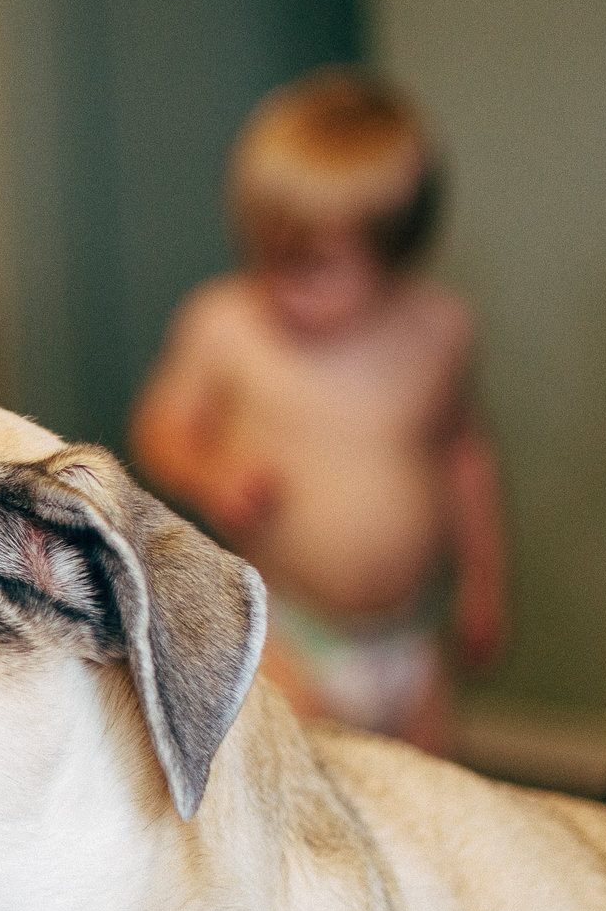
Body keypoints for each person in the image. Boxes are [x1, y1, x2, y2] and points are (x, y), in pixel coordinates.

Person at [130, 67, 506, 755]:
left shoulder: (439, 328)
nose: (283, 284)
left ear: (395, 248)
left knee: (427, 802)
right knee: (307, 793)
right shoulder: (226, 324)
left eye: (314, 264)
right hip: (292, 633)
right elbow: (160, 427)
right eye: (267, 253)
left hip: (412, 638)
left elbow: (462, 456)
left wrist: (484, 581)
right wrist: (213, 470)